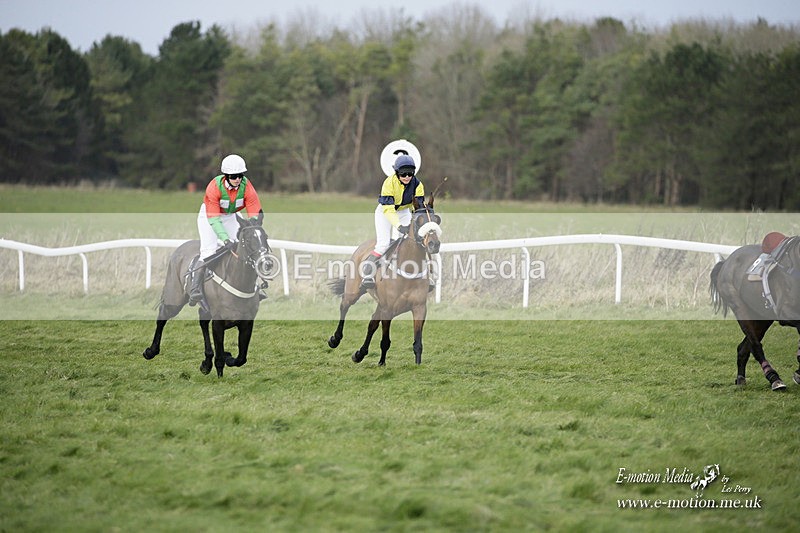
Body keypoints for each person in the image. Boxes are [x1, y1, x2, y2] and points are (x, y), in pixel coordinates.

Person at [188, 154, 263, 306]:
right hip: (210, 216)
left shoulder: (246, 186)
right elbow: (214, 220)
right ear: (226, 176)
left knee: (243, 247)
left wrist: (253, 224)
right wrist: (225, 239)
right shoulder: (214, 187)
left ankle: (254, 286)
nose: (237, 179)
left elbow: (254, 208)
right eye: (234, 176)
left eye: (240, 175)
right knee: (209, 251)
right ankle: (195, 288)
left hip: (231, 215)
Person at [360, 154, 425, 290]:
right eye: (403, 174)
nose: (407, 177)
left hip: (403, 212)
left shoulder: (418, 185)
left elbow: (418, 207)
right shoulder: (388, 183)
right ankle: (367, 275)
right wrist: (399, 226)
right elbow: (389, 209)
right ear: (397, 173)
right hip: (385, 211)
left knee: (403, 243)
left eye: (410, 173)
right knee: (383, 245)